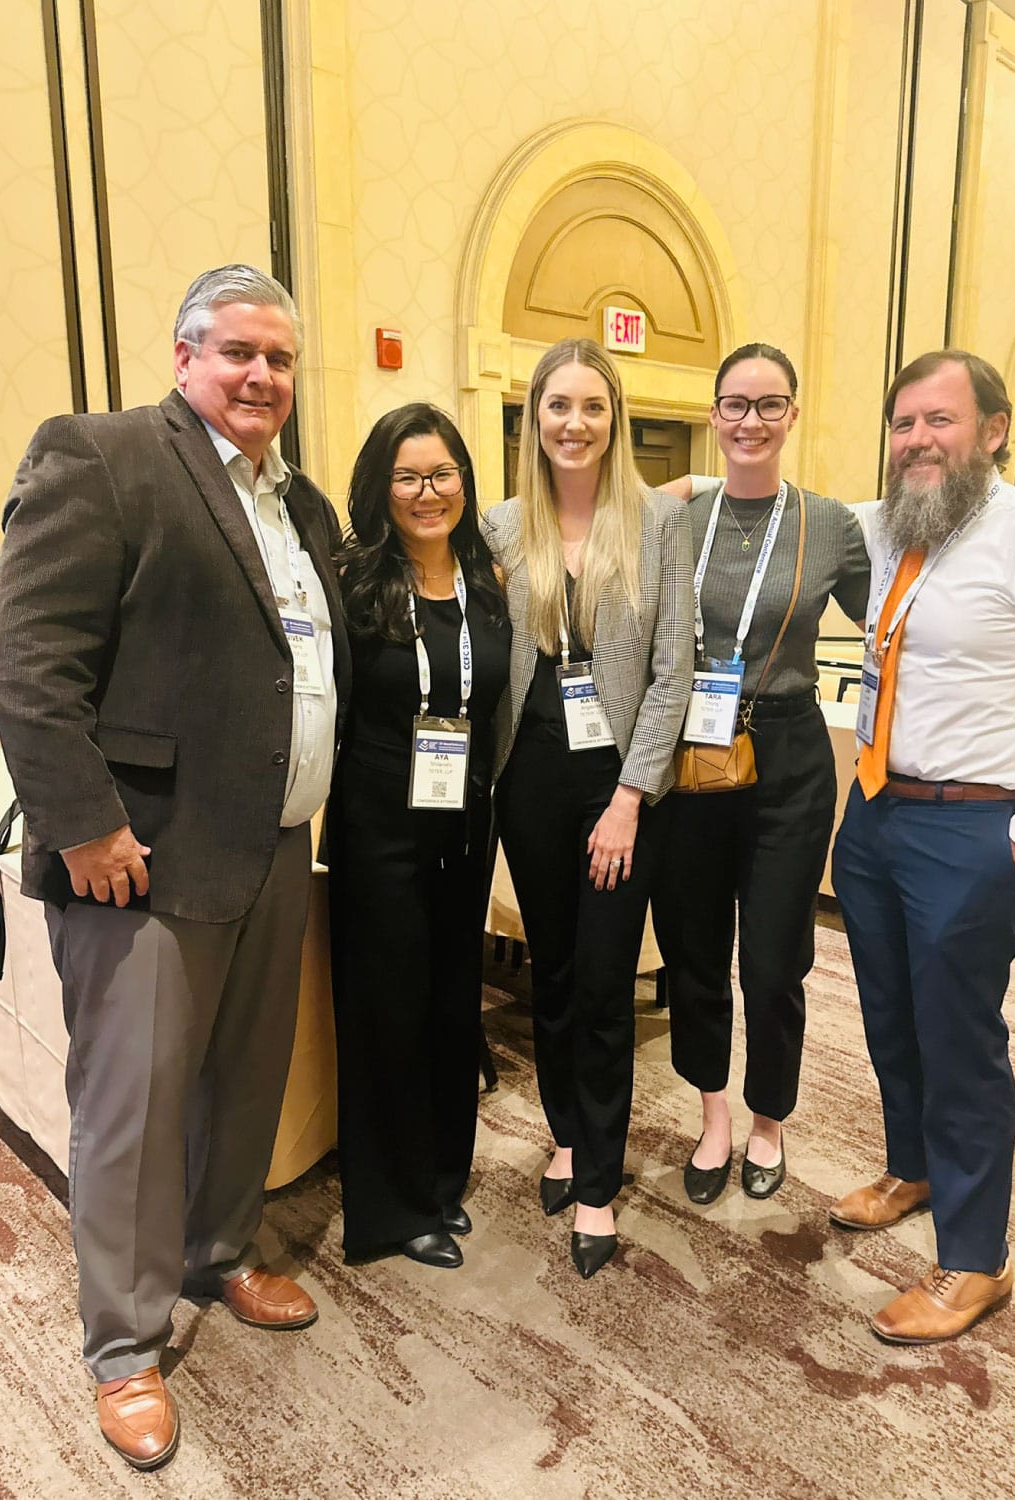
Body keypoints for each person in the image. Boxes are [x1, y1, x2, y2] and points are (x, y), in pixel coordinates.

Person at [0, 265, 350, 1469]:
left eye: (280, 359)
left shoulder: (304, 508)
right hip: (136, 860)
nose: (260, 377)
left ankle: (220, 1251)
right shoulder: (105, 457)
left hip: (275, 845)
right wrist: (83, 824)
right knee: (131, 1113)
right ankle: (123, 1347)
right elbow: (26, 654)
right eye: (237, 351)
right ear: (184, 355)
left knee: (243, 1083)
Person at [828, 349, 1015, 1345]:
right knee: (890, 1017)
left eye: (940, 421)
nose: (918, 440)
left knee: (962, 1040)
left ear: (994, 431)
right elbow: (780, 508)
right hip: (874, 811)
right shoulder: (881, 529)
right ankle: (912, 1167)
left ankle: (976, 1259)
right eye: (904, 422)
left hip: (973, 828)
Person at [482, 338, 692, 1279]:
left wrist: (630, 798)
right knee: (556, 972)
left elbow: (674, 672)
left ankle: (599, 1183)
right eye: (557, 406)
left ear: (615, 421)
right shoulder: (497, 527)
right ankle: (566, 1132)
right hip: (527, 779)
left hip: (620, 788)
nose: (575, 423)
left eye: (593, 407)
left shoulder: (654, 527)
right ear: (534, 420)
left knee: (606, 981)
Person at [653, 344, 871, 1206]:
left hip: (786, 754)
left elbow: (890, 618)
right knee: (695, 949)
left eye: (768, 405)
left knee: (775, 959)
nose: (751, 421)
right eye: (735, 405)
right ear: (713, 416)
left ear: (791, 415)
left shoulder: (829, 525)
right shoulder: (674, 520)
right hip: (690, 752)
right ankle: (712, 1115)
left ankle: (769, 1118)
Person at [328, 404, 510, 1270]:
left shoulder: (487, 583)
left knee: (449, 1001)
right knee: (385, 1012)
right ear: (382, 487)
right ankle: (389, 1209)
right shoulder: (356, 583)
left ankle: (441, 1179)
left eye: (442, 475)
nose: (428, 492)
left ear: (465, 484)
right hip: (380, 828)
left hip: (465, 824)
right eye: (408, 476)